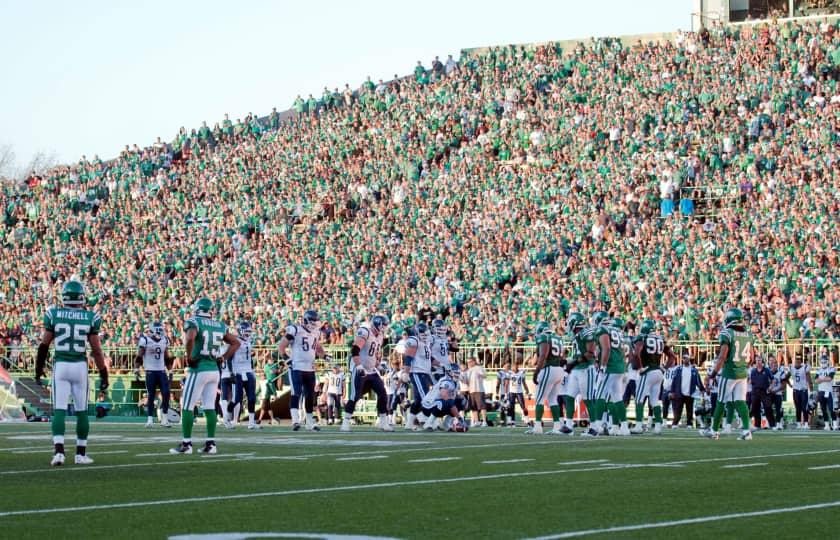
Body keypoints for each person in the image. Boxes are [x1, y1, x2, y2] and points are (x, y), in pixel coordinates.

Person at [36, 280, 109, 466]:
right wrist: (104, 373)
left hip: (60, 365)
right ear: (81, 296)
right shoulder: (90, 317)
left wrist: (38, 368)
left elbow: (44, 344)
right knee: (82, 411)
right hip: (79, 366)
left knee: (59, 410)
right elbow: (97, 350)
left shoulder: (54, 313)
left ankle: (59, 452)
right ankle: (80, 454)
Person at [170, 297, 240, 455]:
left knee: (187, 406)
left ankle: (186, 444)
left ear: (197, 308)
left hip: (199, 369)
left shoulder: (194, 321)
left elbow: (189, 337)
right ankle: (211, 444)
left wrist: (188, 357)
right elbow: (236, 343)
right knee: (209, 407)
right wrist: (223, 357)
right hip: (214, 370)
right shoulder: (220, 325)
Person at [702, 308, 754, 441]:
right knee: (740, 402)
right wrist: (742, 366)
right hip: (742, 373)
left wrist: (712, 374)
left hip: (729, 373)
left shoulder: (727, 333)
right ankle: (747, 431)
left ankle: (714, 431)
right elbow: (752, 358)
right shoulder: (748, 334)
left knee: (720, 401)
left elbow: (722, 357)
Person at [278, 309, 329, 431]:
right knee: (296, 393)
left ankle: (310, 422)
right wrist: (287, 359)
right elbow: (281, 346)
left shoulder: (316, 332)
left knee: (310, 395)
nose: (314, 323)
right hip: (297, 366)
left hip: (310, 368)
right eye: (312, 321)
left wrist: (325, 356)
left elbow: (318, 349)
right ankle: (295, 421)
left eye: (315, 321)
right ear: (306, 320)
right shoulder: (295, 330)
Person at [341, 315, 392, 431]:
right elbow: (354, 350)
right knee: (355, 396)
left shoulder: (380, 336)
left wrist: (378, 366)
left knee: (383, 393)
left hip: (371, 369)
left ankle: (383, 422)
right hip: (359, 367)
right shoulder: (365, 331)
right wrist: (359, 366)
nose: (385, 327)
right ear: (377, 324)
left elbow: (373, 355)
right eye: (383, 325)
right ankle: (345, 422)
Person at [630, 319, 675, 434]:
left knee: (639, 399)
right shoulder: (660, 339)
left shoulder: (642, 338)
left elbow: (636, 353)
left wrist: (640, 368)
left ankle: (639, 425)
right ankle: (658, 426)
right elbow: (672, 357)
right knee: (655, 400)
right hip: (658, 372)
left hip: (647, 371)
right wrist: (664, 368)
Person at [563, 312, 600, 437]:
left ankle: (594, 428)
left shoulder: (586, 332)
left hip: (586, 369)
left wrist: (572, 363)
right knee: (569, 396)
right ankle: (568, 426)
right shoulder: (578, 334)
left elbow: (590, 353)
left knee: (588, 399)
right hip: (577, 370)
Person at [527, 321, 567, 434]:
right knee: (553, 399)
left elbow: (543, 355)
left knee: (539, 398)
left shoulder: (543, 337)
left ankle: (538, 426)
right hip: (559, 369)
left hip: (548, 369)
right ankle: (557, 426)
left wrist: (536, 372)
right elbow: (563, 356)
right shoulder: (558, 338)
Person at [594, 317, 630, 436]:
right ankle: (624, 427)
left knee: (600, 395)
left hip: (610, 366)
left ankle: (597, 426)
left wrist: (603, 365)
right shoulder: (618, 332)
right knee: (617, 398)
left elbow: (607, 348)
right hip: (620, 367)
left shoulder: (603, 330)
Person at [136, 321, 174, 428]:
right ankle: (150, 420)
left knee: (166, 394)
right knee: (151, 396)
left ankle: (164, 419)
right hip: (150, 372)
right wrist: (136, 368)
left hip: (161, 371)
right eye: (158, 330)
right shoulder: (145, 340)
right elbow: (139, 356)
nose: (160, 332)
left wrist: (170, 371)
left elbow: (166, 357)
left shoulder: (164, 340)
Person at [402, 323, 434, 430]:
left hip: (424, 372)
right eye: (422, 332)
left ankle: (409, 423)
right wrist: (406, 372)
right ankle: (424, 419)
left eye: (426, 332)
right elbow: (408, 357)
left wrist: (444, 364)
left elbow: (429, 359)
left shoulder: (426, 343)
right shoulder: (414, 341)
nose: (425, 334)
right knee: (426, 397)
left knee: (419, 400)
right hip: (416, 372)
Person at [229, 321, 259, 430]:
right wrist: (231, 372)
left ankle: (251, 422)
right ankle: (228, 419)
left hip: (248, 371)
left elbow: (249, 357)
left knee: (252, 398)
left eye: (249, 332)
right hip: (238, 372)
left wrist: (252, 369)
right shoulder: (235, 341)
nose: (248, 334)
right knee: (237, 398)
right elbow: (229, 358)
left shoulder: (249, 341)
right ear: (241, 331)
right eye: (246, 332)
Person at [670, 353, 705, 429]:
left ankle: (689, 424)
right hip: (680, 392)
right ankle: (675, 423)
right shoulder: (678, 369)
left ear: (689, 359)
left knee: (690, 409)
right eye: (684, 358)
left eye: (687, 358)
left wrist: (702, 389)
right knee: (678, 409)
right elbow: (674, 381)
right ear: (682, 359)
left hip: (690, 392)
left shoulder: (693, 370)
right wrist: (672, 391)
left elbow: (698, 380)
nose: (686, 359)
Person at [748, 356, 777, 430]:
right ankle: (757, 425)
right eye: (757, 360)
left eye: (760, 360)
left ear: (762, 362)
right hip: (755, 392)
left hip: (765, 391)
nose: (758, 362)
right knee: (755, 408)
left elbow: (773, 380)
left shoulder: (767, 370)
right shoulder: (753, 371)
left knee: (768, 408)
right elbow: (750, 381)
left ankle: (772, 425)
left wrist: (770, 387)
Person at [814, 353, 837, 430]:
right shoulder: (818, 370)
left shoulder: (831, 368)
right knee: (823, 409)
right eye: (822, 362)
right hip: (821, 391)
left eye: (824, 362)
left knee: (831, 409)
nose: (823, 363)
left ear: (827, 361)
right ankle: (827, 424)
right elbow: (816, 381)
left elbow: (830, 378)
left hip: (829, 391)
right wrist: (824, 379)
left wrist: (821, 379)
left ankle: (835, 424)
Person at [790, 356, 811, 429]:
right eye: (796, 360)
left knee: (804, 407)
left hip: (803, 390)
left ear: (801, 361)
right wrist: (789, 384)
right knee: (797, 408)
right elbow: (785, 377)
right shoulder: (791, 368)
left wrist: (810, 390)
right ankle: (798, 423)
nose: (797, 361)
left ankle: (806, 423)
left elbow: (809, 379)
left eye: (799, 360)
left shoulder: (805, 367)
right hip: (796, 390)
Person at [258, 356, 281, 425]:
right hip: (264, 395)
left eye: (262, 375)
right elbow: (259, 389)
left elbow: (272, 388)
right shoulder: (261, 381)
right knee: (268, 408)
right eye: (261, 375)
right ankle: (272, 419)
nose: (261, 376)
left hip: (266, 395)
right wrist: (256, 394)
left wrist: (275, 394)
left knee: (263, 408)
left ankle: (259, 420)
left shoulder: (267, 381)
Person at [767, 357, 789, 429]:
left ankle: (778, 423)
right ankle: (770, 423)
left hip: (778, 393)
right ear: (770, 365)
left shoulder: (781, 373)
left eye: (775, 364)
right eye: (773, 364)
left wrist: (776, 391)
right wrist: (769, 390)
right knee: (768, 408)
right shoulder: (767, 372)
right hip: (770, 393)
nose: (774, 366)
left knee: (778, 409)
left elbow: (783, 384)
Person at [466, 357, 488, 427]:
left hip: (479, 390)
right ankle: (477, 421)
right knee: (473, 407)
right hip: (471, 390)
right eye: (468, 362)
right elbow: (467, 381)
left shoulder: (479, 368)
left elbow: (485, 376)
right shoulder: (468, 370)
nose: (468, 363)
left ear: (474, 361)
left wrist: (480, 375)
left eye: (470, 362)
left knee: (482, 406)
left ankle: (484, 421)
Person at [507, 361, 530, 426]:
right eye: (514, 366)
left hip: (519, 392)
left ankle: (527, 420)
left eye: (516, 366)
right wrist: (506, 393)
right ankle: (511, 422)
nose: (515, 367)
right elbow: (506, 383)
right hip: (511, 392)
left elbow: (524, 382)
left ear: (518, 366)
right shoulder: (509, 373)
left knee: (523, 407)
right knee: (511, 407)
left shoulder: (521, 373)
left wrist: (527, 390)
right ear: (512, 367)